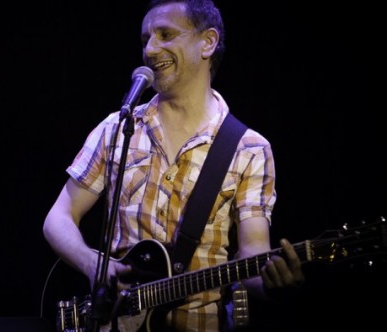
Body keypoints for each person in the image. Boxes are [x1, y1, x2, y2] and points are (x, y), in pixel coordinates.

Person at [43, 0, 304, 331]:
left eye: (165, 34)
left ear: (207, 42)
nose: (151, 49)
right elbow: (59, 216)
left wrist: (273, 285)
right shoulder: (118, 128)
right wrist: (90, 261)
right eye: (145, 39)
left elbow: (252, 255)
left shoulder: (248, 148)